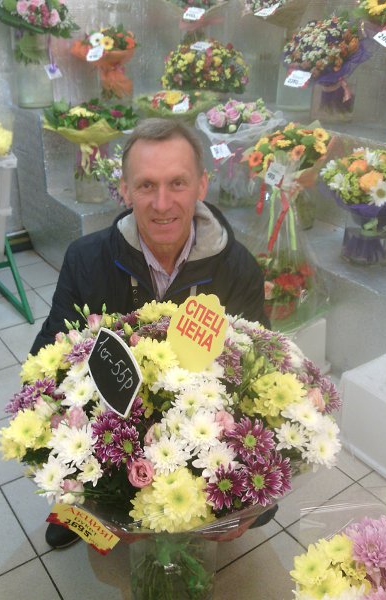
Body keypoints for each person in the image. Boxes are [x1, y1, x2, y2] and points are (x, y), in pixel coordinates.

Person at [30, 118, 274, 549]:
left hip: (198, 427)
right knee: (72, 479)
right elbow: (49, 356)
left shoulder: (238, 268)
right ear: (125, 190)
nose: (162, 204)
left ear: (201, 186)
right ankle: (83, 505)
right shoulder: (85, 259)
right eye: (146, 186)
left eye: (177, 183)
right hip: (109, 428)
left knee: (257, 499)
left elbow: (260, 372)